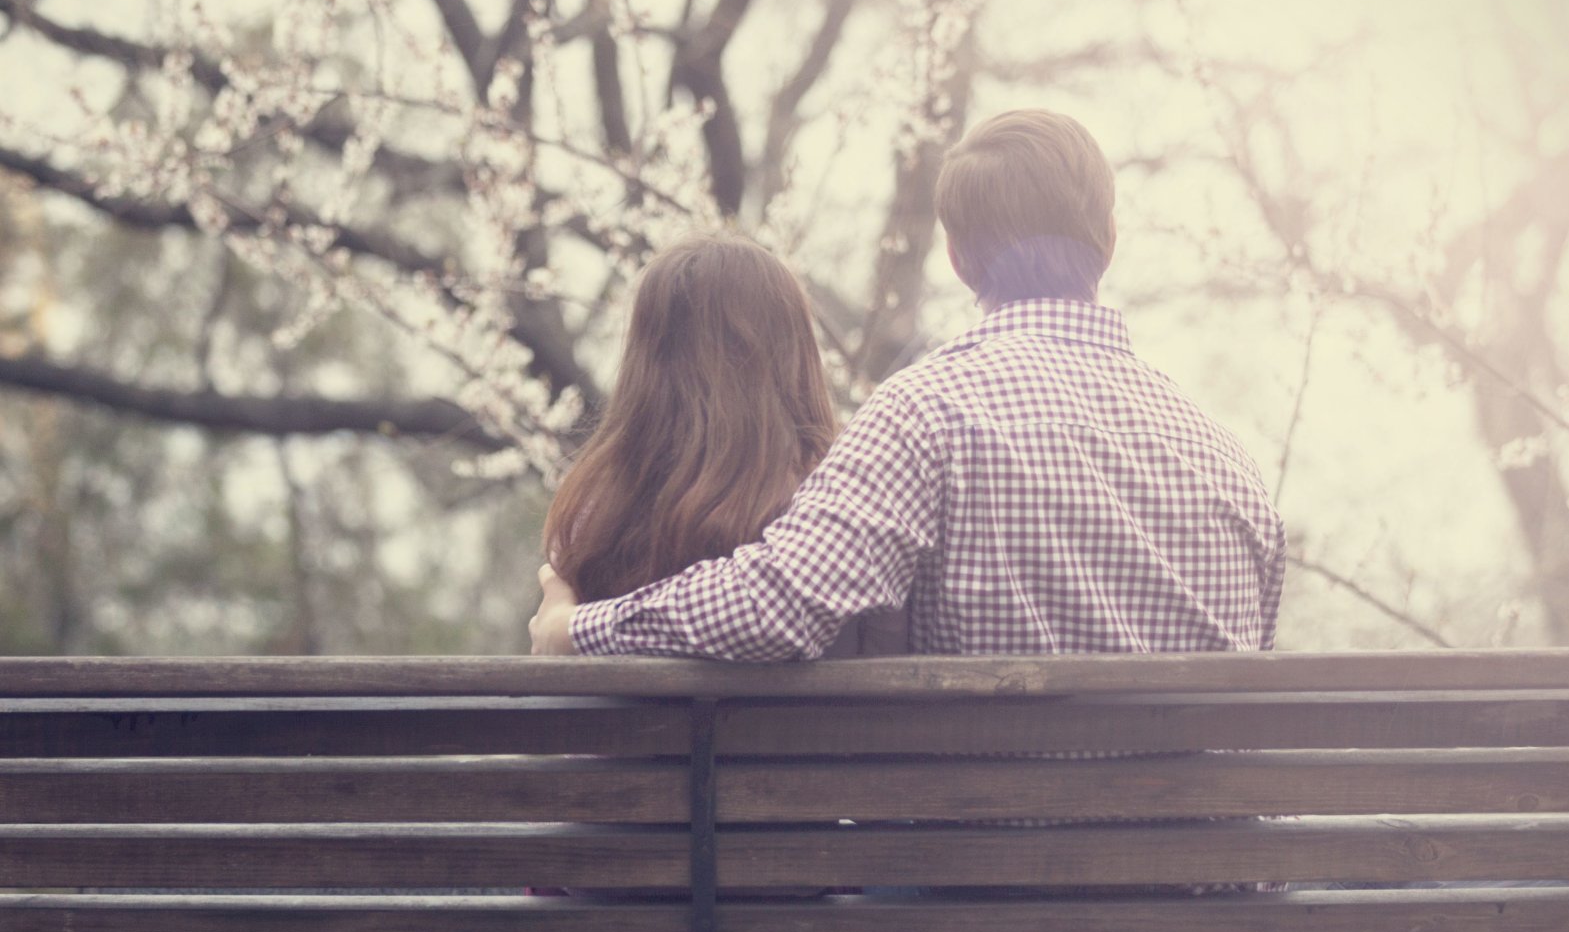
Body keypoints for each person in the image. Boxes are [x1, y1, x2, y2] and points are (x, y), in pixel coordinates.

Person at [531, 108, 1285, 660]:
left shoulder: (928, 413)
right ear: (1109, 245)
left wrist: (579, 628)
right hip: (1204, 873)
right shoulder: (1229, 459)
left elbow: (778, 603)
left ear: (957, 258)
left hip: (987, 872)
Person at [539, 232, 904, 662]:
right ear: (793, 353)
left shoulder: (592, 511)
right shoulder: (836, 500)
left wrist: (571, 628)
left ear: (645, 358)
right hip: (817, 731)